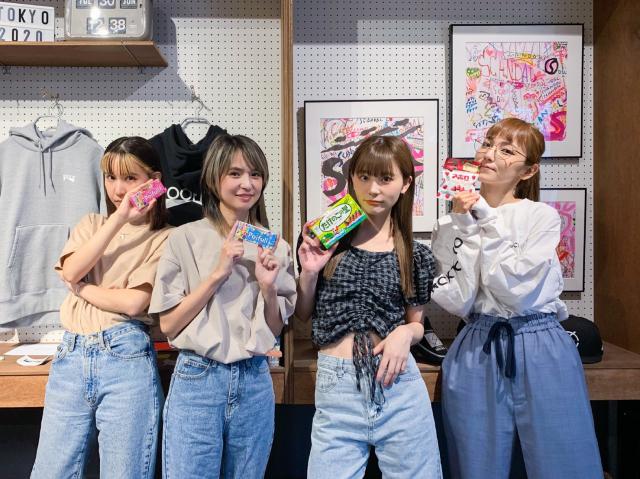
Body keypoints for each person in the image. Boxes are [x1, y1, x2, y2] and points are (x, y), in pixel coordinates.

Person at [431, 118, 602, 478]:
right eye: (487, 143)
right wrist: (464, 225)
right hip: (478, 343)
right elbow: (457, 300)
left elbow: (517, 292)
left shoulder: (540, 216)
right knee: (475, 464)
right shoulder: (450, 223)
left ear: (528, 171)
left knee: (562, 461)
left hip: (540, 342)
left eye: (506, 150)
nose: (490, 154)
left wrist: (485, 219)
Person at [149, 134, 296, 479]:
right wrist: (217, 274)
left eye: (255, 174)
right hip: (198, 378)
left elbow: (274, 328)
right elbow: (169, 325)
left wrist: (268, 288)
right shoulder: (184, 237)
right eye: (235, 173)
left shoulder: (274, 246)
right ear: (214, 179)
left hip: (254, 378)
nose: (247, 184)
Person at [297, 135, 442, 479]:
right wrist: (309, 272)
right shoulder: (327, 242)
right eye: (364, 177)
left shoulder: (415, 255)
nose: (373, 189)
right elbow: (302, 314)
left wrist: (405, 334)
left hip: (397, 386)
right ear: (351, 179)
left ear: (405, 184)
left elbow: (417, 323)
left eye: (385, 178)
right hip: (337, 388)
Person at [32, 137, 171, 479]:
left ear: (154, 181)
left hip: (126, 355)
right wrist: (119, 218)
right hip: (72, 354)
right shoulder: (92, 224)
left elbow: (134, 302)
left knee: (124, 472)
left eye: (130, 178)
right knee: (51, 471)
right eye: (111, 177)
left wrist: (82, 289)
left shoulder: (166, 237)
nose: (118, 189)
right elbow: (71, 270)